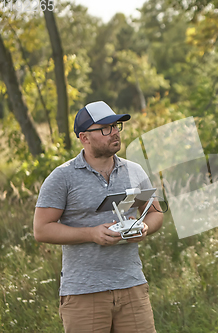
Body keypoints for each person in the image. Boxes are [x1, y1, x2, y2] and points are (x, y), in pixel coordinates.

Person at [33, 101, 163, 333]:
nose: (114, 132)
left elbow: (155, 214)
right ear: (84, 137)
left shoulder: (135, 171)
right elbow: (41, 229)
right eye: (105, 128)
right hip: (84, 292)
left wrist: (143, 226)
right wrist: (91, 234)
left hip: (131, 285)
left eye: (115, 126)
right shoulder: (62, 177)